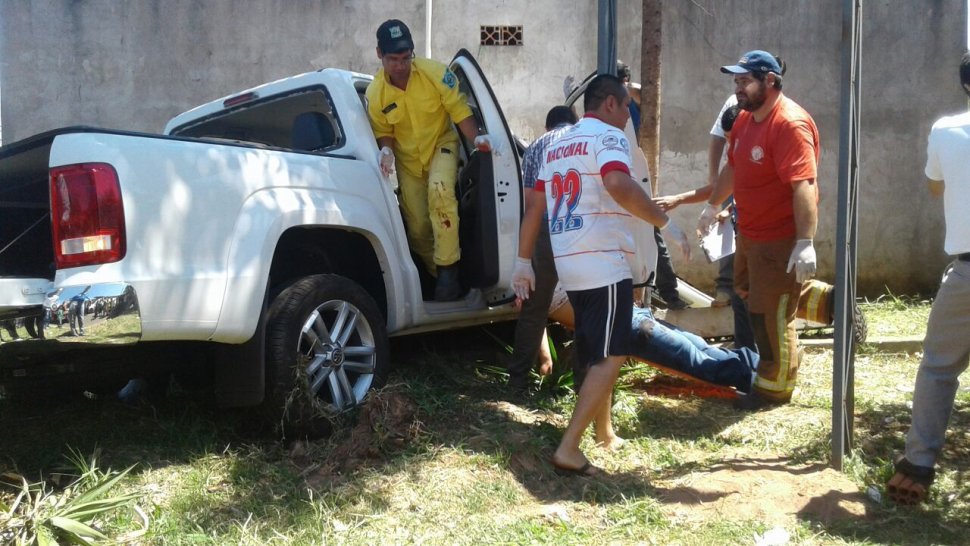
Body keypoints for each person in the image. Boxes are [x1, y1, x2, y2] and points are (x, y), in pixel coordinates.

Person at [513, 74, 690, 476]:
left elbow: (535, 209)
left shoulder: (556, 145)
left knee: (596, 348)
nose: (629, 112)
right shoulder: (610, 137)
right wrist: (664, 223)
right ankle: (569, 448)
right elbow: (616, 181)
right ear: (609, 103)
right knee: (614, 351)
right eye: (626, 104)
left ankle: (604, 431)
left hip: (570, 263)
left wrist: (523, 262)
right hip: (603, 261)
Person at [698, 50, 820, 410]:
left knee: (772, 316)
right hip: (749, 235)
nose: (738, 89)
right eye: (735, 81)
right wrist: (712, 205)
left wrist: (804, 242)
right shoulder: (744, 122)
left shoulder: (789, 124)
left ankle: (774, 390)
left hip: (779, 238)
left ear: (770, 81)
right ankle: (831, 303)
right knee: (752, 299)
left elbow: (804, 186)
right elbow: (732, 170)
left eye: (744, 81)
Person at [885, 52, 970, 505]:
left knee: (938, 368)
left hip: (967, 272)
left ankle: (918, 463)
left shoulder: (946, 130)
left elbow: (935, 185)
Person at [365, 19, 496, 301]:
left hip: (441, 145)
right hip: (408, 163)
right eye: (393, 59)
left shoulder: (436, 73)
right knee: (418, 228)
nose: (401, 65)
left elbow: (459, 112)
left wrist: (477, 141)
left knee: (440, 191)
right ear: (379, 55)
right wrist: (385, 150)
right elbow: (384, 131)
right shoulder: (376, 94)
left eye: (405, 57)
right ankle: (438, 273)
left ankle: (449, 274)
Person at [547, 284, 759, 393]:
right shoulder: (540, 278)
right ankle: (758, 379)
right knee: (696, 356)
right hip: (630, 323)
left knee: (699, 351)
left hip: (631, 320)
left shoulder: (546, 268)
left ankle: (760, 370)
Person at [507, 105, 578, 395]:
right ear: (573, 122)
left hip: (545, 228)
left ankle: (517, 383)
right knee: (588, 303)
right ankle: (583, 382)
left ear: (548, 126)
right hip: (577, 228)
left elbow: (528, 200)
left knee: (534, 309)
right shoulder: (580, 139)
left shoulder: (536, 145)